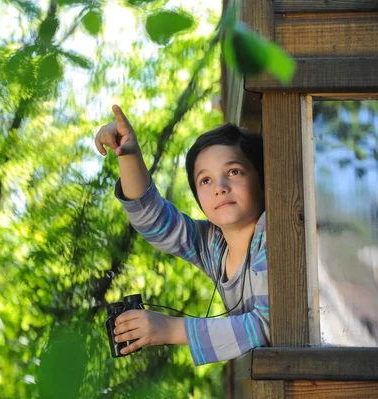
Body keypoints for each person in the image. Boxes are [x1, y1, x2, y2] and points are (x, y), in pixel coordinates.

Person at [95, 104, 269, 366]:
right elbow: (155, 221)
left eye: (234, 172)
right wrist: (127, 154)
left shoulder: (274, 233)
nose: (220, 188)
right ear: (199, 198)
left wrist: (170, 329)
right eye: (205, 181)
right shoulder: (214, 246)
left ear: (262, 179)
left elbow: (267, 326)